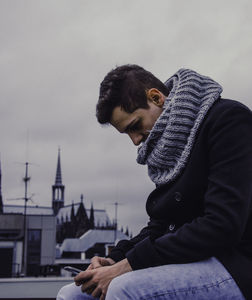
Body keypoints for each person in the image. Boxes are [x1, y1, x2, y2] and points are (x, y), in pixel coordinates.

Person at [57, 65, 252, 300]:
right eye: (127, 134)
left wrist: (127, 266)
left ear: (156, 98)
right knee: (73, 294)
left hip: (235, 264)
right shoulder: (170, 146)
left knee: (122, 288)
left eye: (135, 126)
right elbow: (163, 225)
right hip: (191, 261)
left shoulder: (228, 120)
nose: (136, 141)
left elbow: (222, 226)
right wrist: (116, 258)